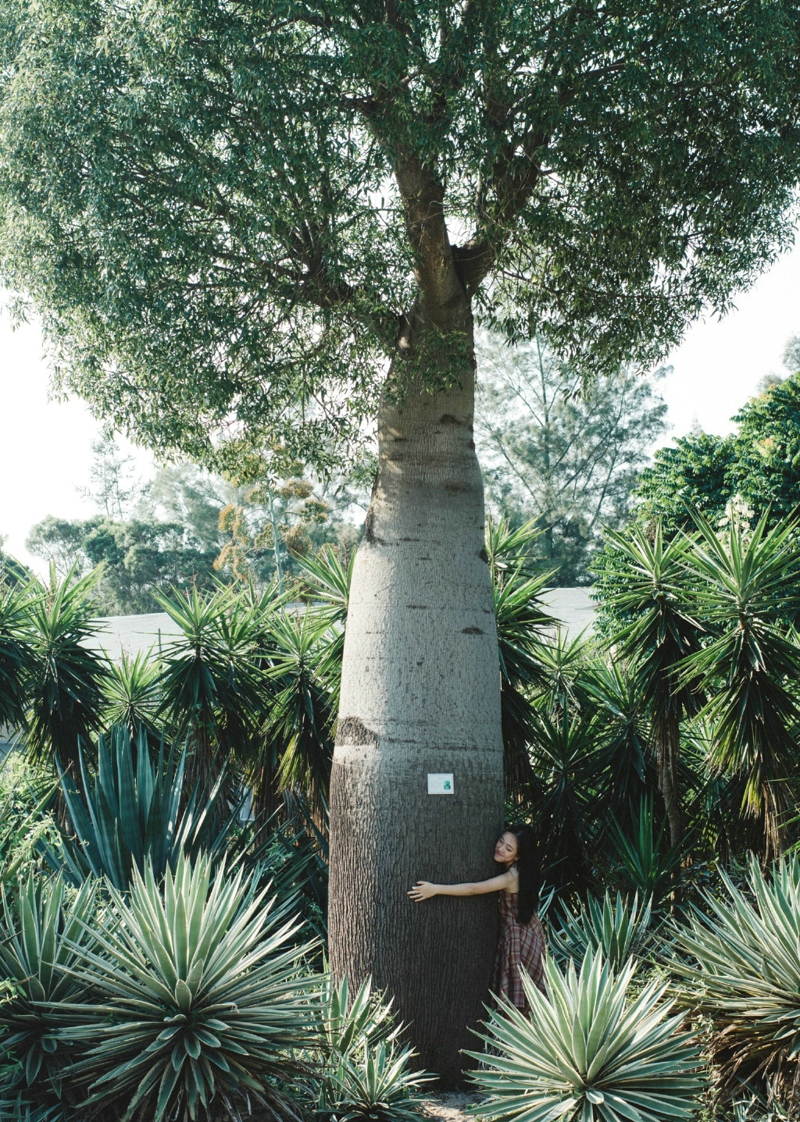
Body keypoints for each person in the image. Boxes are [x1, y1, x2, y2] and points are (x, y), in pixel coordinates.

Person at [408, 823, 545, 1013]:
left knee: (517, 994)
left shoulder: (512, 876)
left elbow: (474, 889)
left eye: (509, 849)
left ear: (518, 856)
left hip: (520, 936)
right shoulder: (522, 871)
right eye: (501, 841)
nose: (500, 849)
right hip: (530, 931)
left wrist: (436, 889)